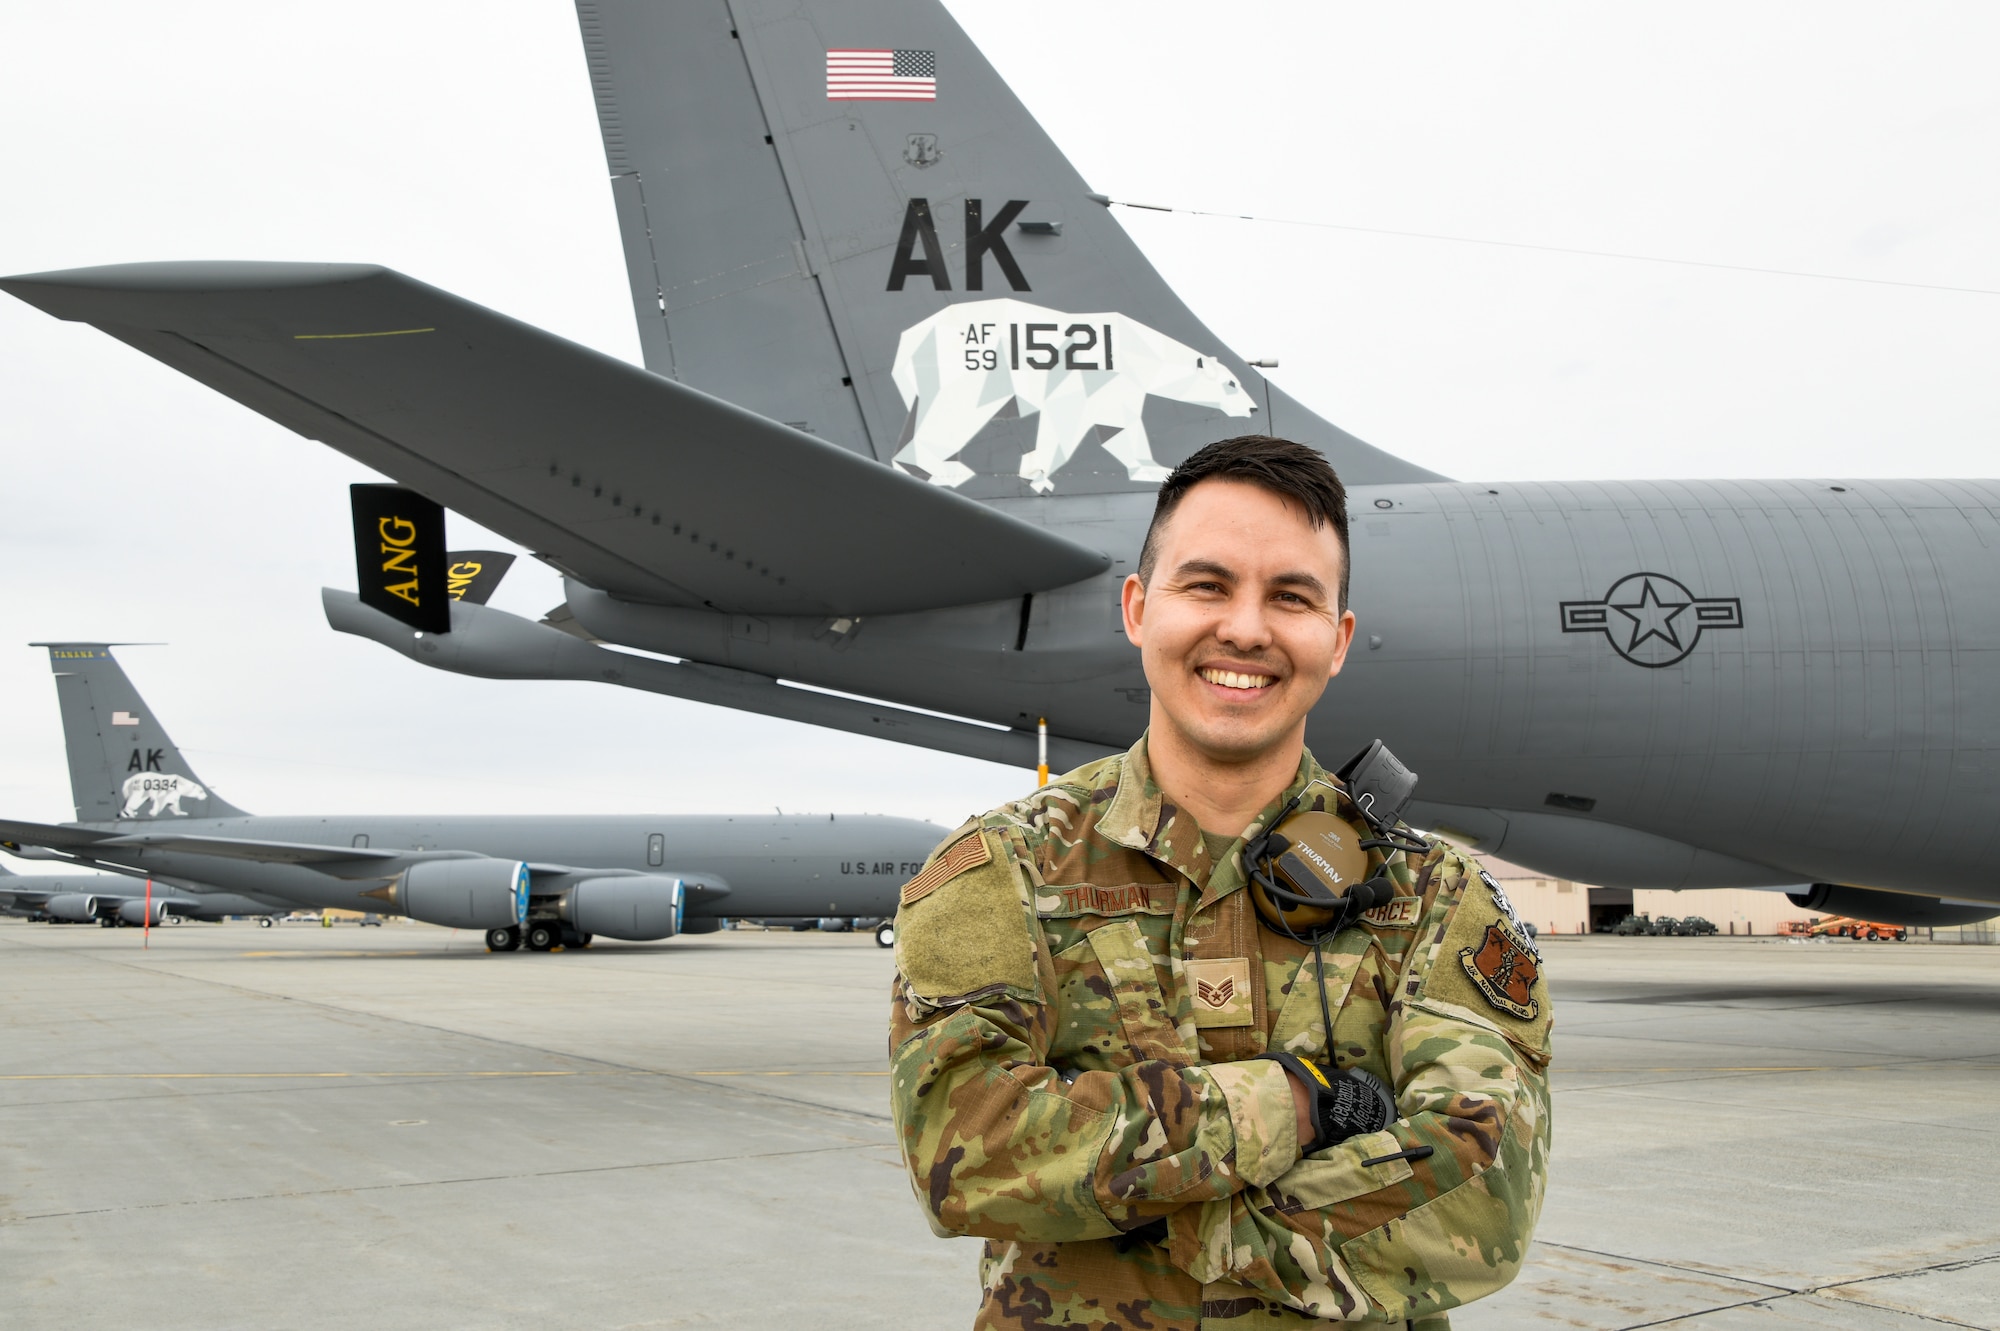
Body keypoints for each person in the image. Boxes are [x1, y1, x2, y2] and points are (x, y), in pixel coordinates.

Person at [888, 435, 1552, 1329]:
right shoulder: (1003, 869)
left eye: (1291, 596)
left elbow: (1482, 1187)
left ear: (1338, 638)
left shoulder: (1430, 892)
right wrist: (1295, 1105)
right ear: (1137, 608)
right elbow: (962, 1153)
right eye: (1207, 585)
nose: (1245, 628)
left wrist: (1177, 1225)